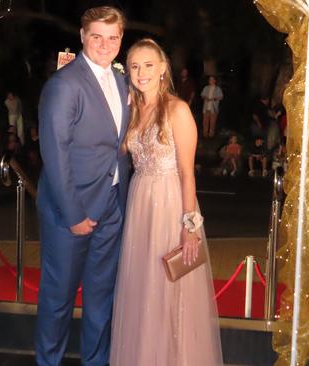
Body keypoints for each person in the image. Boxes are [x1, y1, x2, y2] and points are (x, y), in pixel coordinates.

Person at [110, 38, 222, 365]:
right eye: (134, 66)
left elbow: (188, 174)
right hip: (139, 202)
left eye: (148, 65)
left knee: (171, 290)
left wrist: (191, 228)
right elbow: (115, 153)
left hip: (171, 204)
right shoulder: (131, 109)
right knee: (142, 288)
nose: (141, 72)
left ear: (162, 69)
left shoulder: (178, 109)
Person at [34, 7, 130, 366]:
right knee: (58, 300)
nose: (105, 44)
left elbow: (116, 145)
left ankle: (96, 361)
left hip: (111, 208)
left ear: (121, 39)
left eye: (113, 37)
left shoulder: (122, 82)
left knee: (101, 298)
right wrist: (74, 214)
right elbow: (54, 153)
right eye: (97, 36)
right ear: (82, 36)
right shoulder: (64, 84)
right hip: (69, 212)